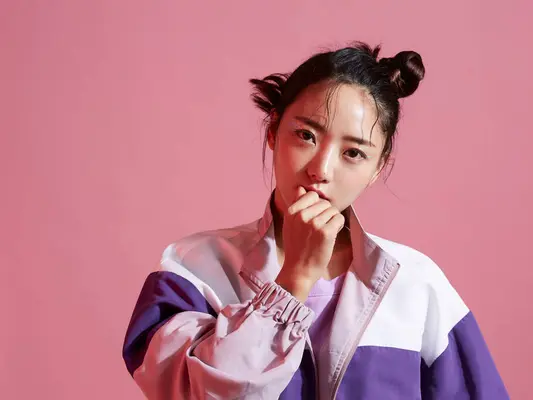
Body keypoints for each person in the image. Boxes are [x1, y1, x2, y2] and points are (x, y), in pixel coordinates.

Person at [122, 42, 509, 399]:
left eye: (353, 153)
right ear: (273, 130)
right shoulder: (192, 269)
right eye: (306, 135)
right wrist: (294, 281)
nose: (321, 170)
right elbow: (196, 393)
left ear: (378, 168)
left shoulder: (417, 286)